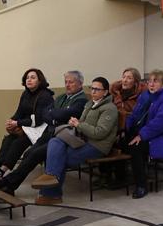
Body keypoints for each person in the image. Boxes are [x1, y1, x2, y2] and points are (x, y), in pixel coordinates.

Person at [0, 70, 89, 193]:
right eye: (66, 82)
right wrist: (54, 117)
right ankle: (8, 181)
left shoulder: (81, 100)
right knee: (28, 154)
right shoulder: (62, 97)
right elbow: (46, 114)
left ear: (80, 84)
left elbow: (65, 113)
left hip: (63, 138)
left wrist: (53, 116)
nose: (67, 85)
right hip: (50, 133)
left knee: (34, 154)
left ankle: (9, 183)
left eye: (71, 82)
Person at [34, 77, 119, 205]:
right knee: (55, 142)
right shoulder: (90, 104)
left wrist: (79, 125)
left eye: (97, 89)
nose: (93, 91)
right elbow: (83, 123)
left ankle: (51, 193)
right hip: (82, 140)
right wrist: (74, 124)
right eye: (92, 88)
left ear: (105, 92)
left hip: (97, 145)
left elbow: (99, 133)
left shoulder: (109, 108)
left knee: (59, 157)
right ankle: (51, 179)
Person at [125, 69, 163, 198]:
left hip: (162, 136)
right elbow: (135, 113)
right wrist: (128, 127)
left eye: (155, 81)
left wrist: (141, 135)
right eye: (149, 81)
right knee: (118, 142)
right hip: (142, 131)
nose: (151, 84)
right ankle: (120, 178)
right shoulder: (145, 95)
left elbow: (161, 123)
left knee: (136, 148)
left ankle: (141, 185)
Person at [0, 68, 54, 178]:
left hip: (41, 129)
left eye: (33, 78)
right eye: (27, 78)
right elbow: (19, 112)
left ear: (40, 81)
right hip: (27, 126)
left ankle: (3, 169)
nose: (29, 80)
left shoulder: (45, 95)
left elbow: (39, 119)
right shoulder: (25, 93)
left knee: (18, 142)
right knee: (8, 139)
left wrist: (17, 123)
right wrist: (11, 121)